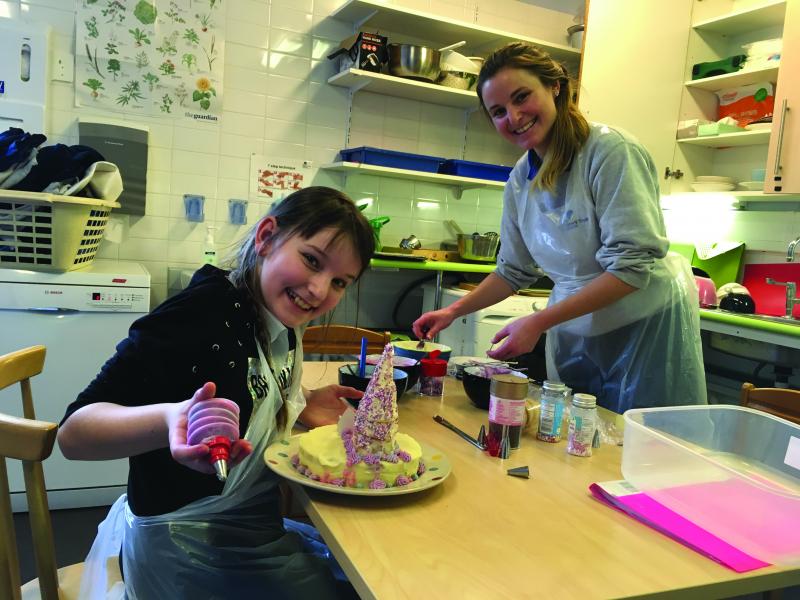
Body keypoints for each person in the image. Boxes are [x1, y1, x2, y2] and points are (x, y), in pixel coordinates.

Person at [57, 186, 375, 599]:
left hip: (246, 527)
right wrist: (170, 417)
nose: (318, 290)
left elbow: (249, 383)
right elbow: (73, 434)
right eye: (311, 261)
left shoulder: (275, 315)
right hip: (184, 551)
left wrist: (302, 400)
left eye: (339, 282)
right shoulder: (199, 316)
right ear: (266, 237)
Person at [413, 42, 706, 413]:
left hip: (644, 326)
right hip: (577, 327)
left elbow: (630, 269)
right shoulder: (520, 179)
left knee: (641, 436)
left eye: (522, 97)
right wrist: (453, 312)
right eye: (499, 112)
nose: (514, 117)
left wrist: (539, 321)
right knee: (576, 431)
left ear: (555, 86)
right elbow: (512, 271)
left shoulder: (610, 151)